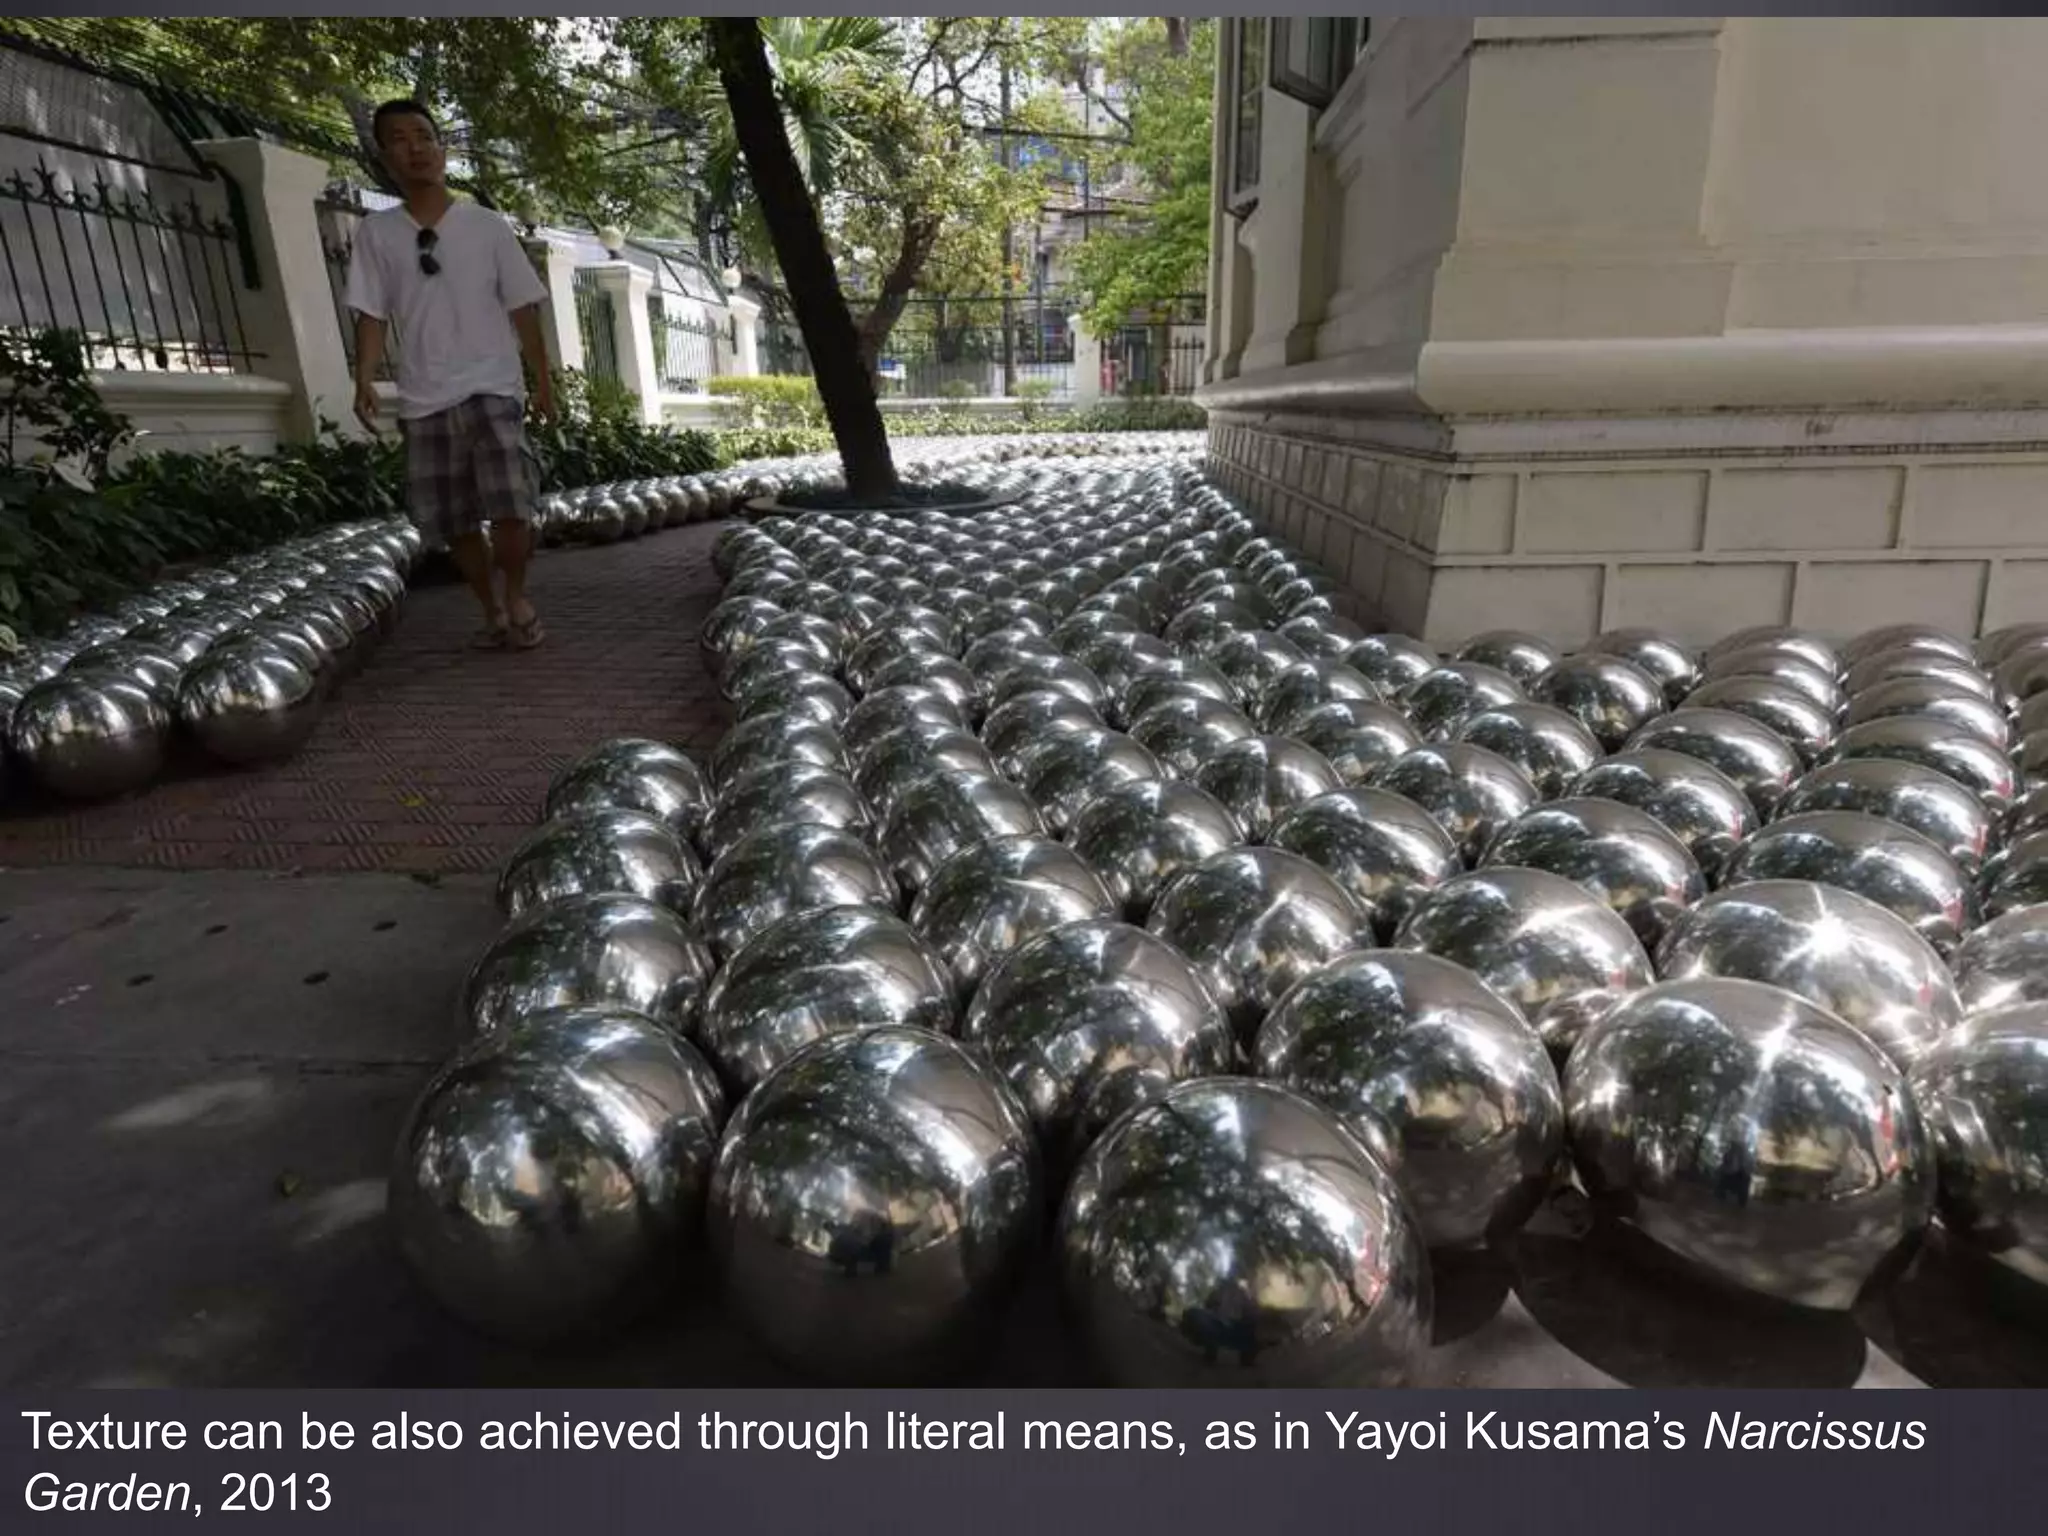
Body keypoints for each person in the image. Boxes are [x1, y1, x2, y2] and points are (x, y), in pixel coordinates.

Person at [346, 99, 556, 650]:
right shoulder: (377, 233)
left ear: (442, 148)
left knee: (513, 504)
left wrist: (543, 382)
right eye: (398, 138)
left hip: (493, 387)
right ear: (384, 154)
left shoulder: (486, 226)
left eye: (424, 135)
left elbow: (523, 307)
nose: (414, 147)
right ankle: (489, 607)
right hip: (424, 397)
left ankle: (516, 594)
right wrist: (364, 378)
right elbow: (371, 312)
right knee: (455, 519)